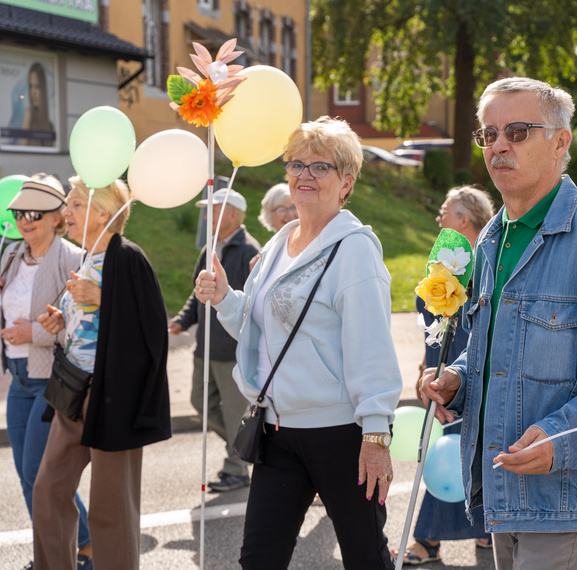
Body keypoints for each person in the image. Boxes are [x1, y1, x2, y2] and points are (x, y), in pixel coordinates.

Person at [417, 77, 577, 570]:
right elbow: (499, 349)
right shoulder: (490, 240)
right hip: (500, 487)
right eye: (488, 134)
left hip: (566, 497)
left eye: (517, 131)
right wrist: (460, 380)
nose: (499, 146)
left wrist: (563, 439)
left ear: (560, 142)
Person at [195, 116, 402, 569]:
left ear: (346, 182)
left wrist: (375, 434)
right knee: (258, 559)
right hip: (277, 431)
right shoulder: (278, 243)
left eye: (320, 167)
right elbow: (257, 329)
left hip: (341, 436)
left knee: (365, 557)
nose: (304, 175)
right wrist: (225, 298)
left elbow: (372, 347)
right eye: (296, 164)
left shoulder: (354, 249)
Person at [32, 176, 171, 569]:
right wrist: (64, 323)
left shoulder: (127, 256)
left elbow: (151, 331)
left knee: (111, 511)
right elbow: (92, 329)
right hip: (72, 395)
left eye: (75, 204)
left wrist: (102, 298)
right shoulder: (85, 257)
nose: (66, 213)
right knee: (48, 492)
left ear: (104, 212)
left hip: (112, 401)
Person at [393, 185, 495, 565]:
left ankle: (427, 540)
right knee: (460, 452)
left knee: (452, 453)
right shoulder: (447, 261)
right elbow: (433, 323)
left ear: (464, 219)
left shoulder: (488, 259)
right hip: (444, 367)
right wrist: (426, 365)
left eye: (445, 212)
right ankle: (483, 532)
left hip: (471, 373)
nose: (439, 218)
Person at [1, 175, 92, 570]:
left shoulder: (72, 258)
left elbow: (81, 325)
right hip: (17, 379)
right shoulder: (9, 254)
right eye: (19, 212)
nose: (25, 220)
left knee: (44, 474)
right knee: (25, 474)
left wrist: (32, 332)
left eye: (35, 213)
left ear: (57, 217)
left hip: (50, 379)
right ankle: (53, 553)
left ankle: (85, 546)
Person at [169, 189, 259, 492]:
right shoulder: (210, 248)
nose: (207, 216)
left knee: (235, 415)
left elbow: (252, 304)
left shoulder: (250, 250)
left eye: (214, 210)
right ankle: (250, 448)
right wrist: (182, 320)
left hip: (232, 352)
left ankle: (236, 469)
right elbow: (198, 293)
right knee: (199, 403)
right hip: (205, 348)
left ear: (233, 214)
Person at [21, 63, 55, 147]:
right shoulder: (29, 114)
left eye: (37, 86)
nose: (33, 92)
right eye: (30, 86)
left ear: (43, 89)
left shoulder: (50, 125)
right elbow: (22, 149)